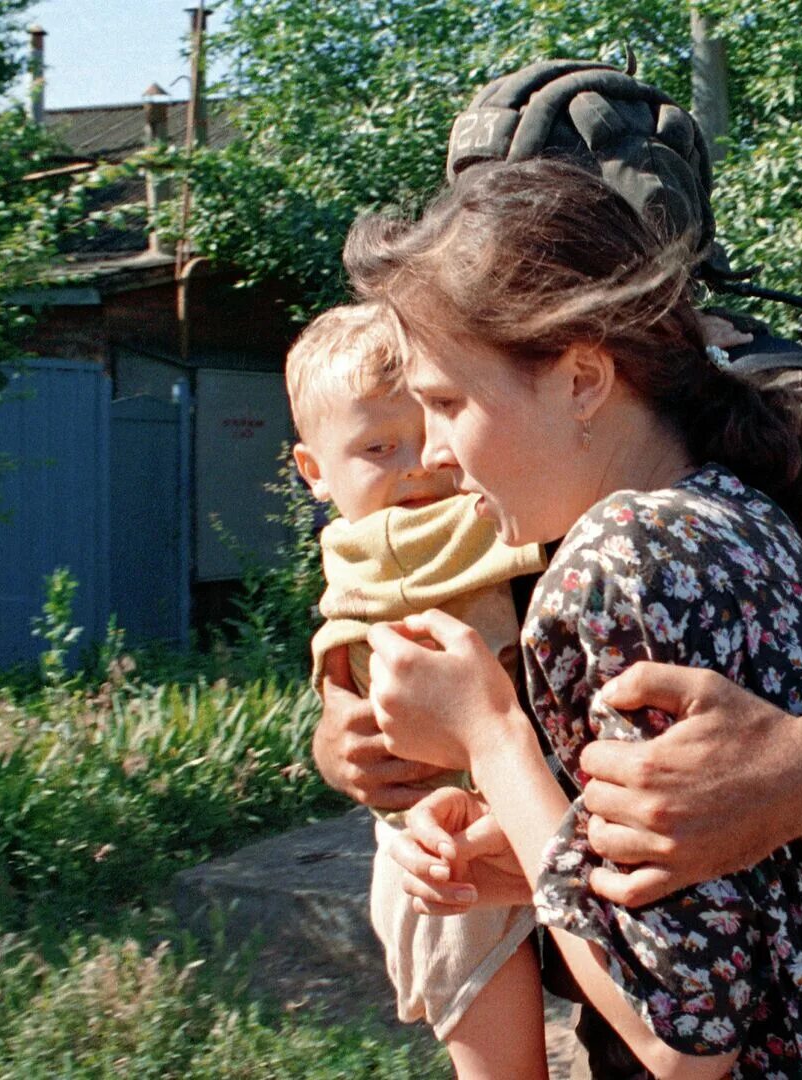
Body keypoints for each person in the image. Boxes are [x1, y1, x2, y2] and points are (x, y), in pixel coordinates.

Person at [312, 62, 802, 948]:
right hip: (597, 933)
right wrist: (349, 726)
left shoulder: (789, 401)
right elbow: (399, 563)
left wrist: (799, 773)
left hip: (749, 978)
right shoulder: (488, 391)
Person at [357, 159, 802, 1076]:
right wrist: (517, 836)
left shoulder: (622, 562)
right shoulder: (736, 514)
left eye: (448, 403)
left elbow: (680, 1041)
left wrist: (487, 732)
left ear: (582, 376)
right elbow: (749, 895)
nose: (432, 455)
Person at [285, 303, 550, 1077]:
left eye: (434, 423)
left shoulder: (360, 541)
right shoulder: (406, 535)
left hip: (472, 820)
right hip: (440, 848)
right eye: (377, 446)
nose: (419, 464)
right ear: (314, 472)